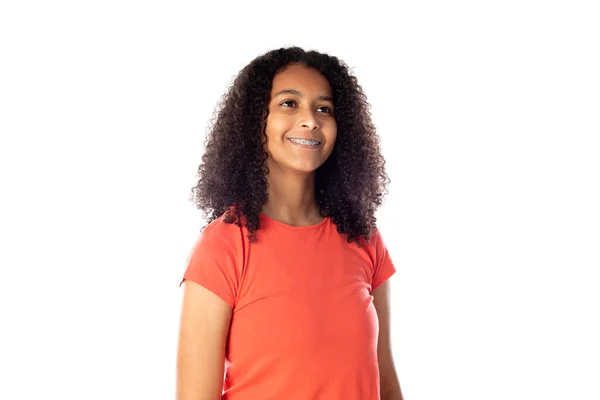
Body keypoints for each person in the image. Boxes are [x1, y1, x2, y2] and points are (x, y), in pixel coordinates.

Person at [176, 46, 404, 400]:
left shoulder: (363, 237)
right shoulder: (224, 245)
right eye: (289, 103)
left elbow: (384, 380)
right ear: (257, 120)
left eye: (323, 108)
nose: (310, 120)